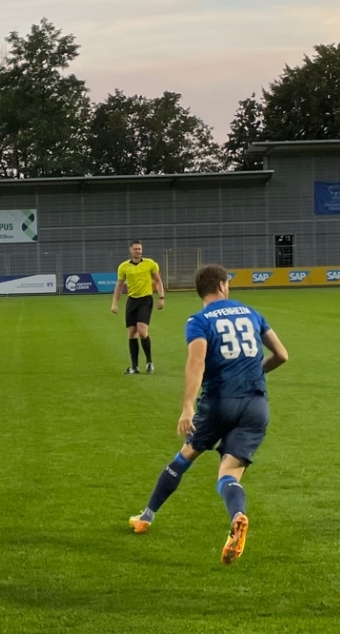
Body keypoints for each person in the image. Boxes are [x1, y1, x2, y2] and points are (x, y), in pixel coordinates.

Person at [128, 263, 289, 565]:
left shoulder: (199, 320)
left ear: (200, 290)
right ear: (224, 285)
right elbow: (282, 355)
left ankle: (146, 517)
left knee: (184, 457)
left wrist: (187, 406)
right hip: (256, 405)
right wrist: (257, 371)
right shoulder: (251, 312)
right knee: (228, 475)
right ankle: (237, 515)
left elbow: (196, 363)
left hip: (218, 403)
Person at [111, 240, 166, 373]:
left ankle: (149, 362)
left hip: (146, 300)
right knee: (132, 333)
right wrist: (114, 303)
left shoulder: (150, 264)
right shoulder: (123, 267)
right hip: (132, 301)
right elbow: (119, 286)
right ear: (130, 250)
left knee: (142, 330)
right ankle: (134, 366)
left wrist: (161, 297)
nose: (138, 251)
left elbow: (158, 281)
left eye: (140, 249)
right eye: (135, 249)